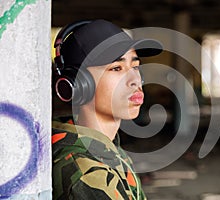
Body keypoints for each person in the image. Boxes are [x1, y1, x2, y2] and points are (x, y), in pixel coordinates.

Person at [51, 19, 162, 200]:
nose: (135, 79)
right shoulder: (88, 175)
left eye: (135, 66)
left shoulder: (107, 149)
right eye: (116, 68)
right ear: (79, 84)